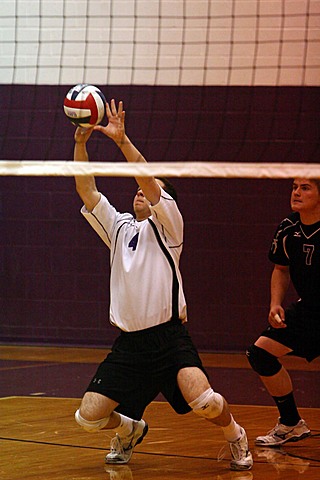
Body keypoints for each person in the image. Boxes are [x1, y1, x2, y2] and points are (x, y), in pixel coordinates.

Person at [73, 99, 253, 471]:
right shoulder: (120, 227)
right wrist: (81, 142)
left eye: (149, 189)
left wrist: (122, 142)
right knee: (87, 417)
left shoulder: (170, 229)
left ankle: (235, 434)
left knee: (204, 400)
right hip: (130, 345)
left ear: (161, 198)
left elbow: (146, 177)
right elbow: (88, 192)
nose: (140, 191)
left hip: (169, 339)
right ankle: (130, 430)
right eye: (137, 190)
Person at [246, 177, 320, 446]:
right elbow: (280, 268)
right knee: (260, 354)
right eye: (294, 187)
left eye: (305, 188)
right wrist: (275, 304)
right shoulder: (288, 228)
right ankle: (291, 423)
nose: (297, 193)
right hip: (309, 310)